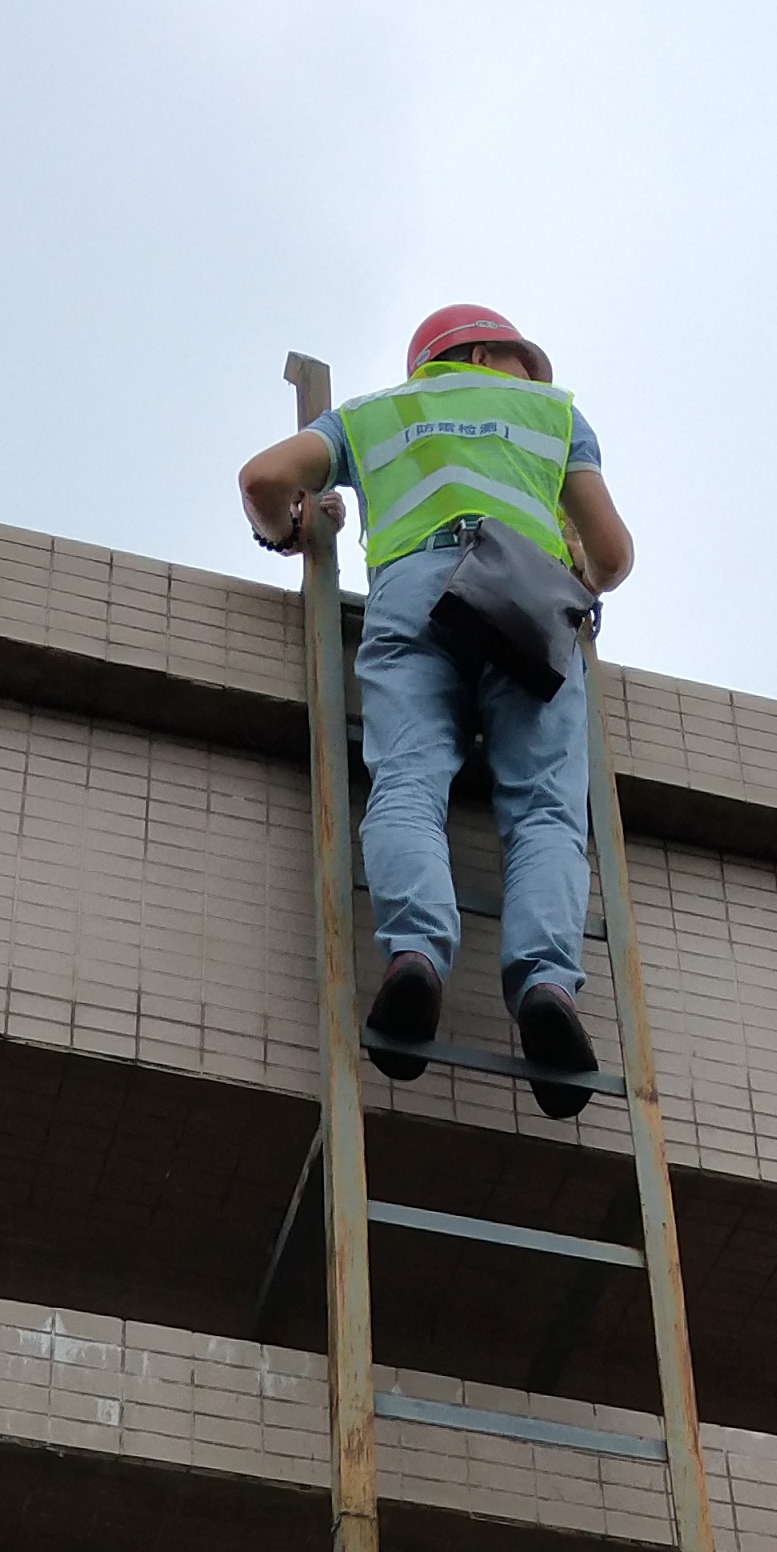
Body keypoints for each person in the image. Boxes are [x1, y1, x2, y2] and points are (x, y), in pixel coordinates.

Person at [238, 305, 634, 1119]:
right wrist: (577, 575)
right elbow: (615, 555)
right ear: (488, 351)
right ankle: (547, 987)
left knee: (409, 781)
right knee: (548, 814)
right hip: (526, 596)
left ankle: (415, 954)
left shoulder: (372, 415)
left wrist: (295, 530)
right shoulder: (557, 417)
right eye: (524, 360)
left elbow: (262, 480)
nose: (533, 378)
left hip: (413, 596)